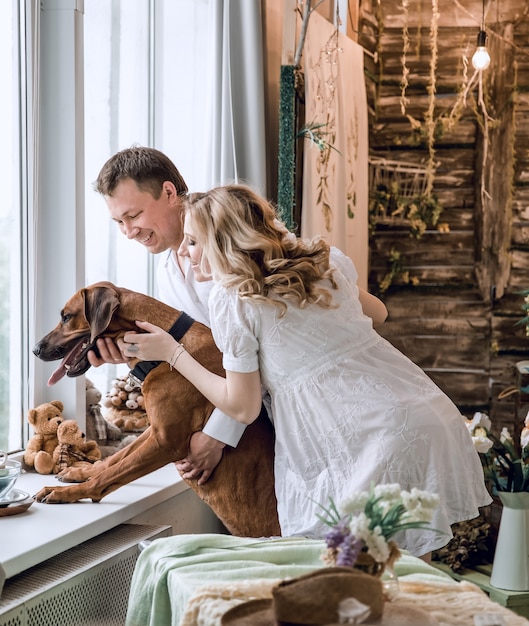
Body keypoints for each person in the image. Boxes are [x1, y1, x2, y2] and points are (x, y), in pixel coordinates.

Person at [117, 183, 492, 558]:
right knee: (406, 576)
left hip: (363, 444)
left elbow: (242, 407)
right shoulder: (323, 261)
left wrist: (174, 353)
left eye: (194, 242)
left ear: (224, 242)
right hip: (418, 413)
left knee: (362, 585)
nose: (184, 250)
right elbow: (378, 312)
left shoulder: (233, 300)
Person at [89, 146, 388, 485]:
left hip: (336, 414)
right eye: (118, 222)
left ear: (169, 192)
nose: (128, 231)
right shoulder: (167, 274)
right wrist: (133, 358)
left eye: (133, 215)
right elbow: (215, 357)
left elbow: (272, 351)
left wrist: (218, 435)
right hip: (288, 425)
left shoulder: (248, 244)